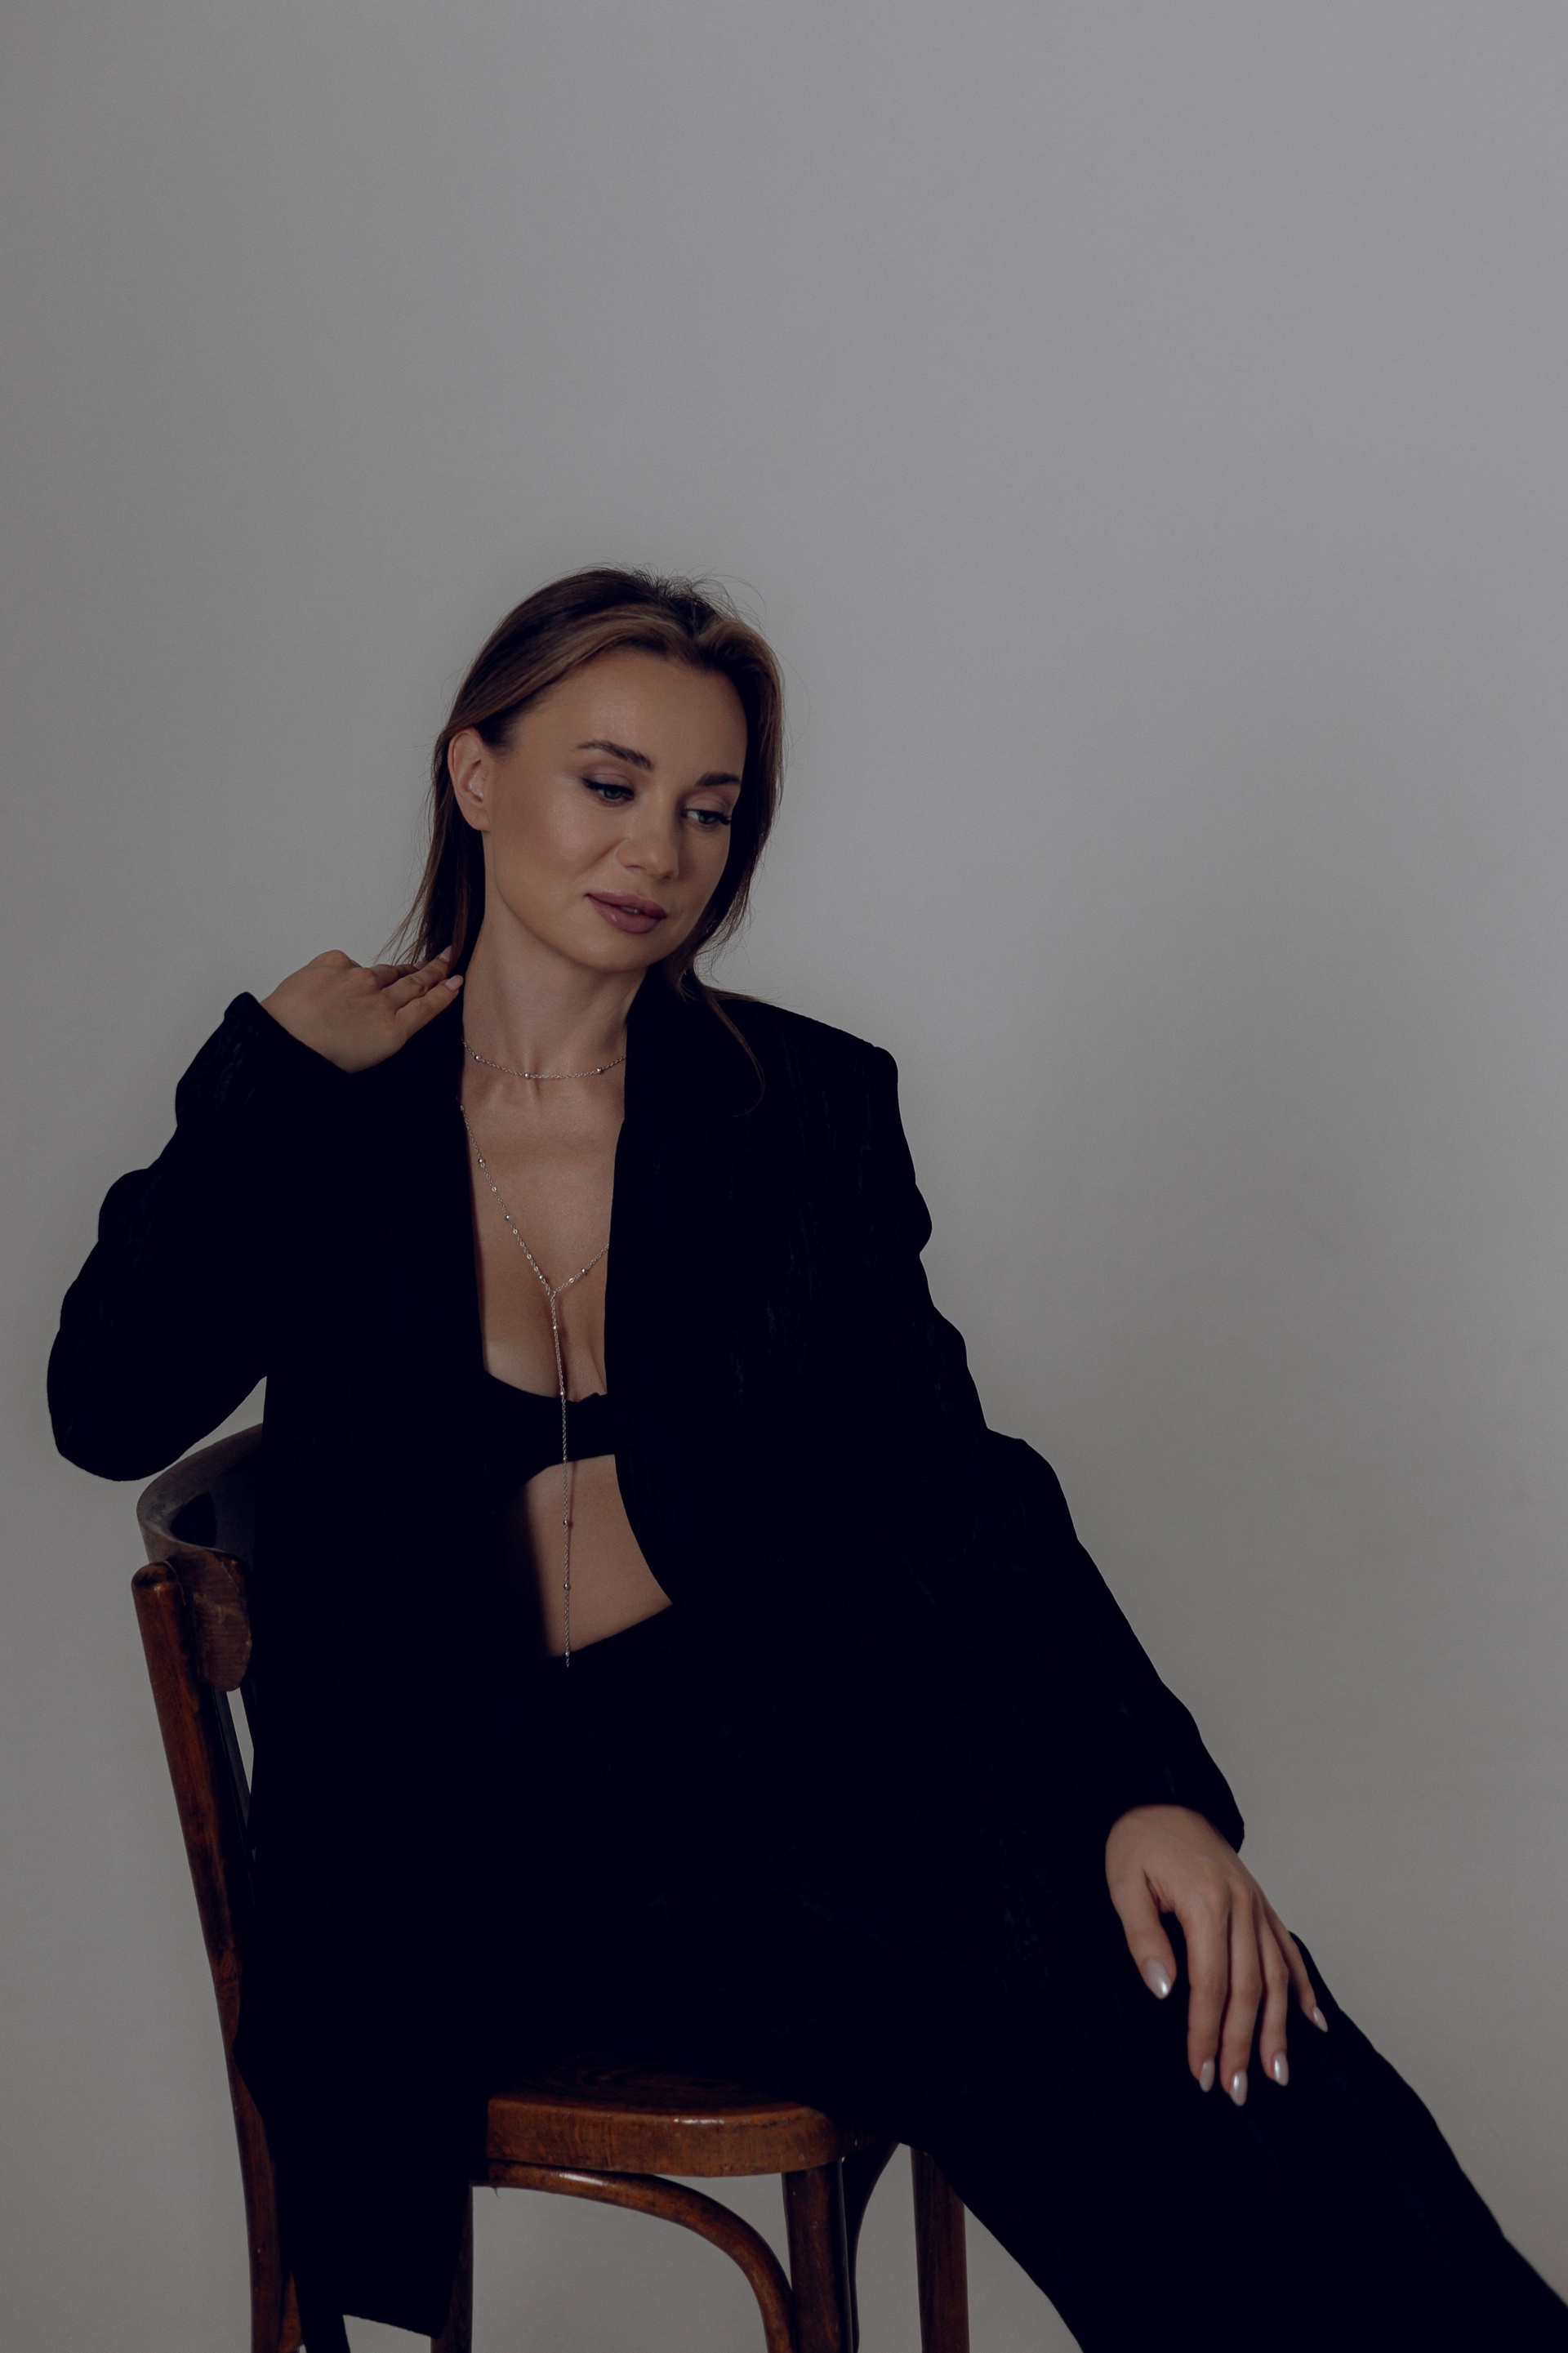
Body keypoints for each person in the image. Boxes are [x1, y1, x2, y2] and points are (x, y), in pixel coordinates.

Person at [49, 568, 1567, 2351]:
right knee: (1009, 1953)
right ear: (475, 773)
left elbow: (956, 1485)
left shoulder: (797, 1112)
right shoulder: (331, 1116)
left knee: (1172, 1958)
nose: (659, 850)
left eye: (709, 809)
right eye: (609, 783)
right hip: (460, 1854)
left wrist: (1141, 1787)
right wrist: (262, 1074)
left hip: (769, 1779)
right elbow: (106, 1405)